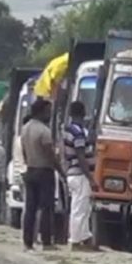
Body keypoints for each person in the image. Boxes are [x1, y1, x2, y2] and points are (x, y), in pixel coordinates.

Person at [20, 98, 59, 251]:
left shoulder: (25, 129)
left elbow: (24, 151)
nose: (50, 114)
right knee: (46, 207)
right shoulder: (44, 131)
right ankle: (46, 241)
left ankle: (27, 241)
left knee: (30, 208)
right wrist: (60, 170)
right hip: (44, 171)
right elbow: (50, 154)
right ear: (42, 112)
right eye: (48, 111)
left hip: (30, 169)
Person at [64, 100, 98, 251]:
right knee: (79, 208)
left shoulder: (68, 130)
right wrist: (91, 178)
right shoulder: (78, 133)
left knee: (84, 208)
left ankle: (85, 237)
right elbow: (81, 157)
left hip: (73, 173)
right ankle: (75, 240)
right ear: (83, 113)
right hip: (80, 174)